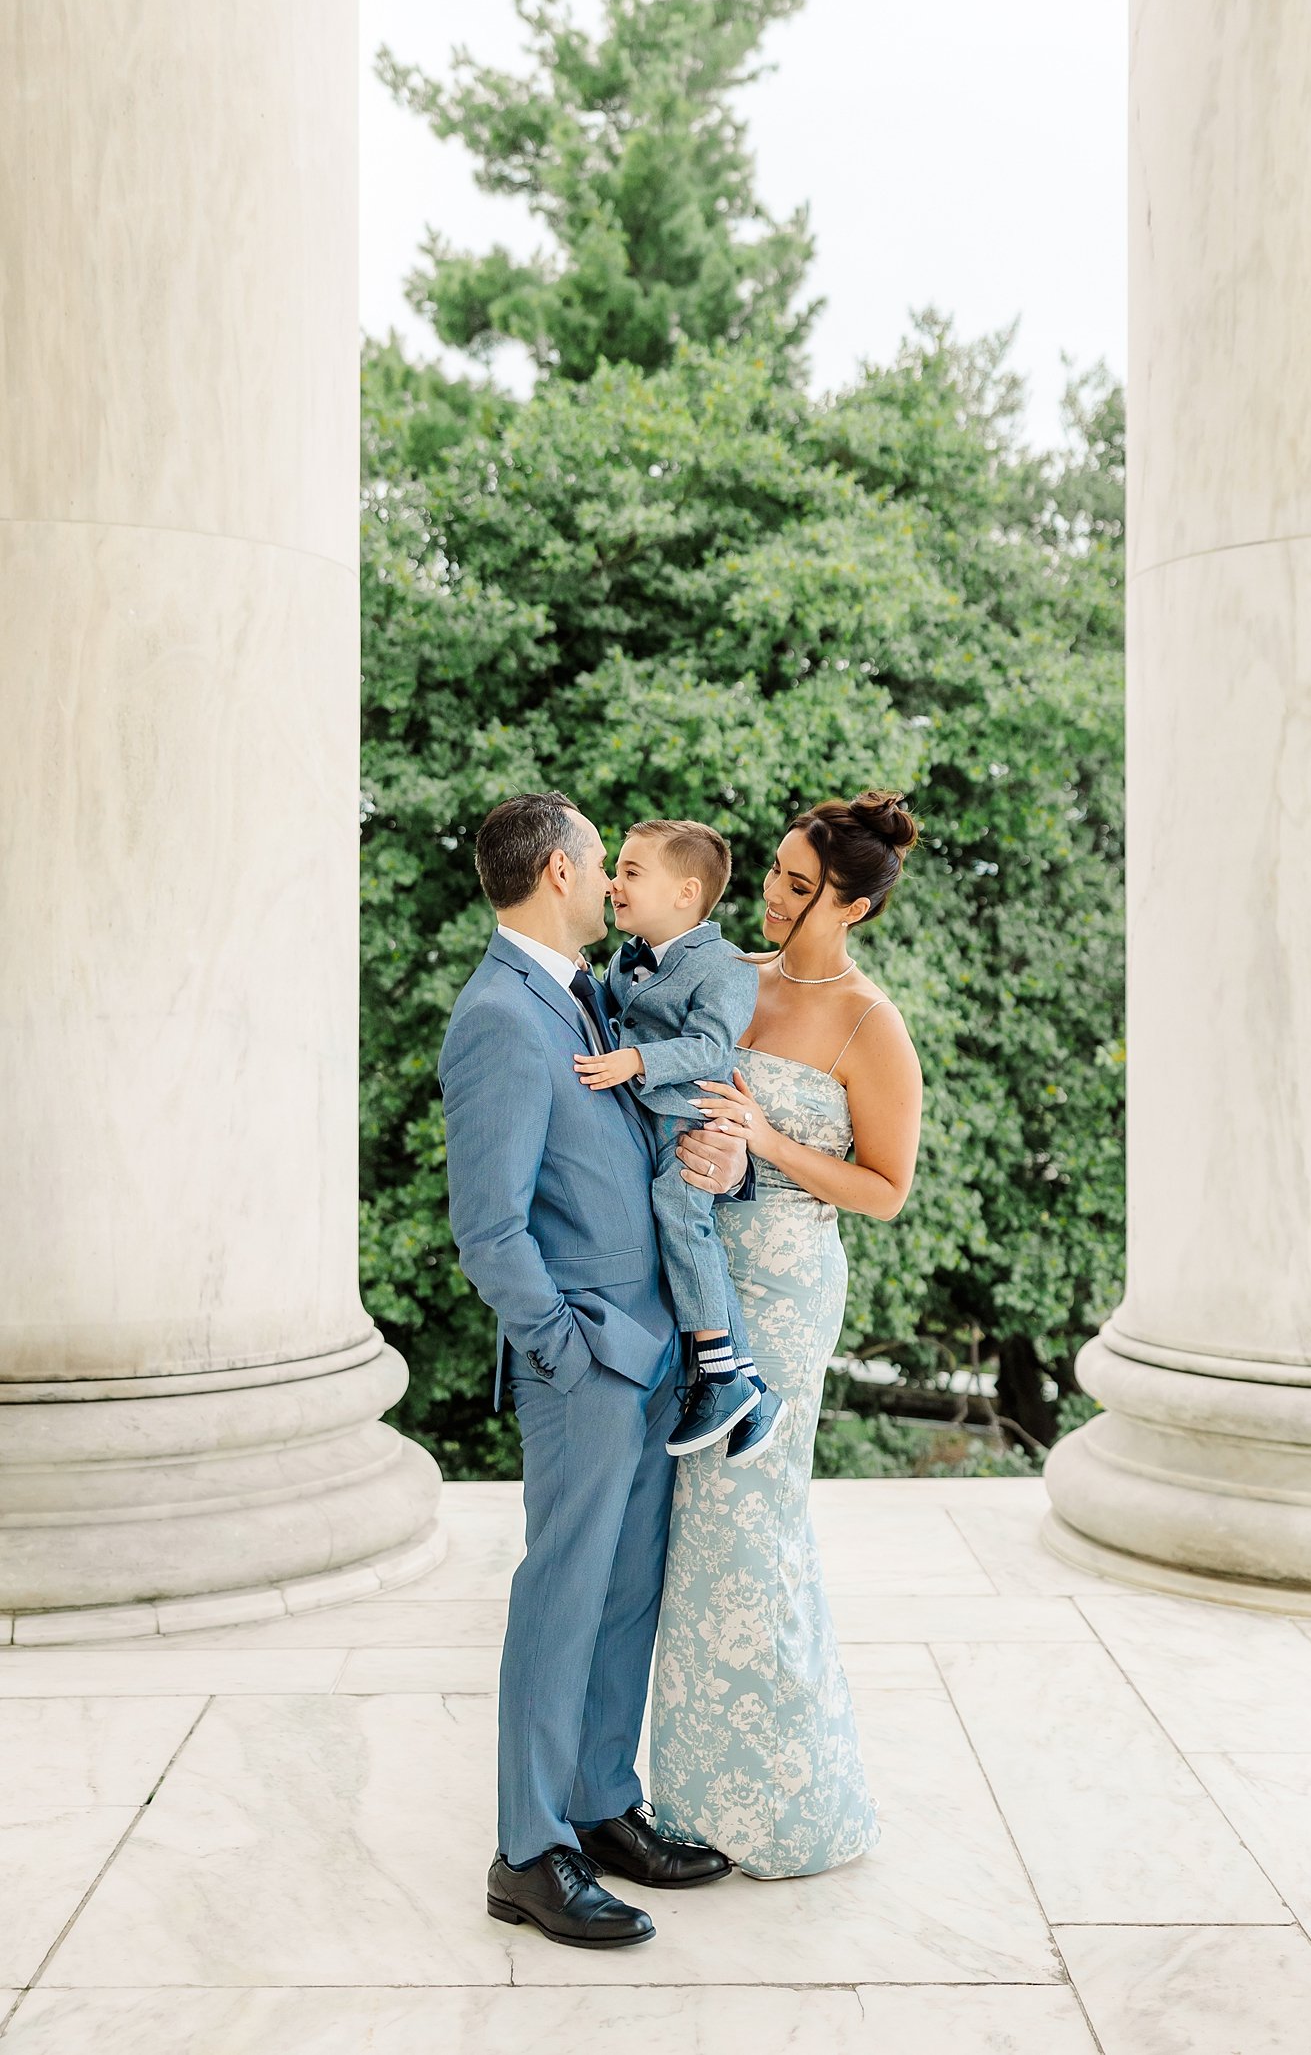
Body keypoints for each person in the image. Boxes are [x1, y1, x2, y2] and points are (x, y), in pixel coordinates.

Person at [438, 791, 750, 1949]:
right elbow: (491, 1230)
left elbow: (643, 1140)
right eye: (599, 858)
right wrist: (564, 1352)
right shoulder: (499, 1017)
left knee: (627, 1595)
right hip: (585, 1367)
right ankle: (529, 1850)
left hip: (660, 1342)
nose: (612, 878)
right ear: (560, 873)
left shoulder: (589, 995)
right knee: (562, 1598)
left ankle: (604, 1804)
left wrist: (726, 1164)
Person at [650, 790, 925, 1878]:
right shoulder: (733, 981)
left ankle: (781, 1801)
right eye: (773, 870)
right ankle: (689, 1790)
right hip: (698, 1273)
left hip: (790, 1291)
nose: (771, 895)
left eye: (800, 887)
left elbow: (885, 1188)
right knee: (690, 1527)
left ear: (852, 905)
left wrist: (766, 1142)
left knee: (751, 1524)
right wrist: (711, 1155)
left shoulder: (871, 1023)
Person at [574, 817, 785, 1460]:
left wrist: (637, 1061)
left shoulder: (724, 965)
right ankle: (748, 1387)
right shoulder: (627, 958)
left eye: (632, 872)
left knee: (683, 1223)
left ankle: (720, 1374)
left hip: (692, 1121)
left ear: (687, 892)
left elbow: (711, 1046)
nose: (613, 882)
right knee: (681, 1232)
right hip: (652, 1118)